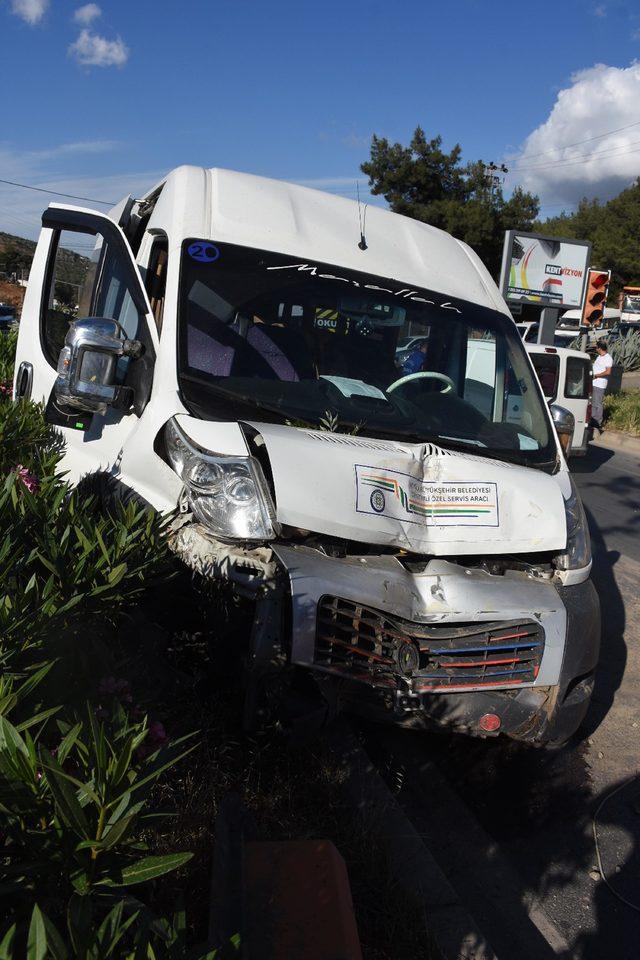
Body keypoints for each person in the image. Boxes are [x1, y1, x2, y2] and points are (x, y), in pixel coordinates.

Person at [591, 339, 613, 433]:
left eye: (596, 347)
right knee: (592, 402)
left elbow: (608, 372)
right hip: (594, 382)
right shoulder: (599, 357)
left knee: (598, 403)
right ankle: (592, 419)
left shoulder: (608, 358)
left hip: (600, 384)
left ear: (600, 348)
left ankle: (598, 422)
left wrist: (596, 376)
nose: (596, 349)